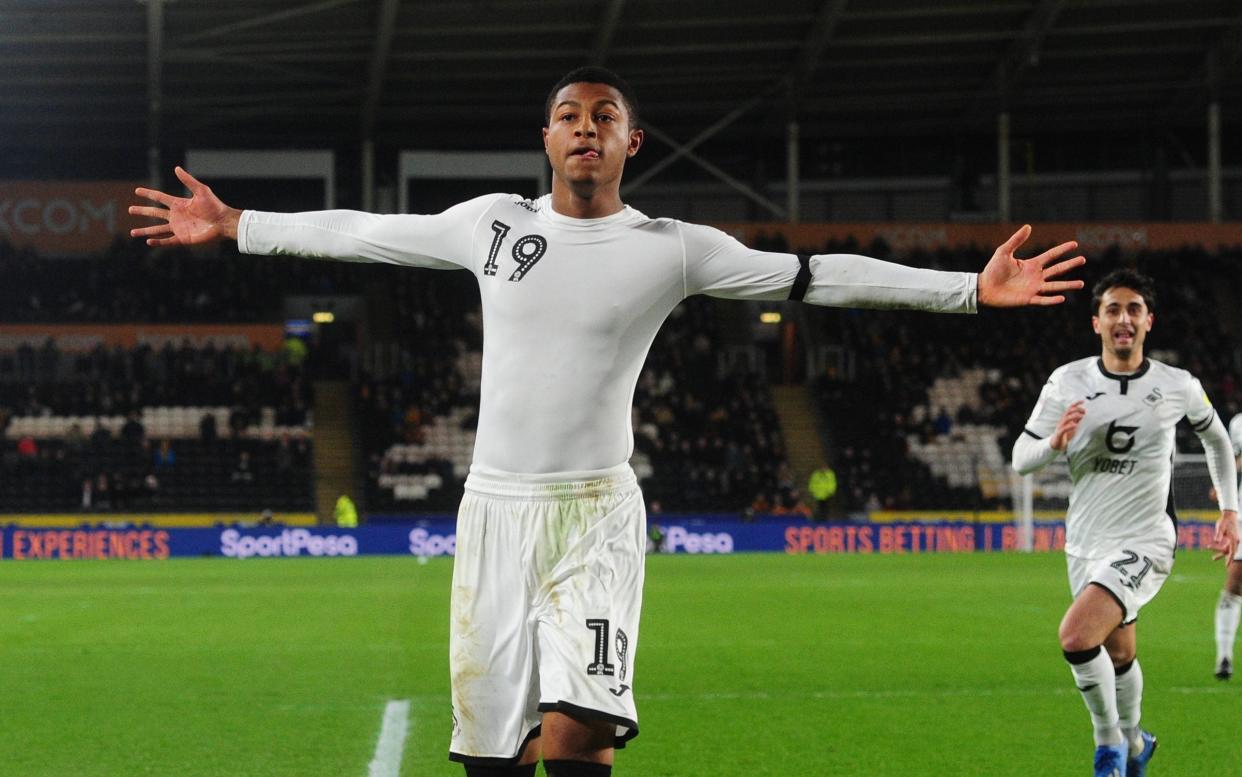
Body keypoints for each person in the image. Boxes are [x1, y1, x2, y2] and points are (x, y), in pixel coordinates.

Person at [131, 66, 1084, 777]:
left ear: (635, 144)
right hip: (495, 513)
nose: (586, 128)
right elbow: (366, 231)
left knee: (580, 734)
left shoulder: (672, 249)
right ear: (544, 141)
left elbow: (817, 274)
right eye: (568, 117)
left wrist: (969, 288)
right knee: (492, 755)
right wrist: (239, 222)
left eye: (606, 117)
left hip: (597, 516)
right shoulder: (491, 225)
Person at [1012, 269, 1239, 777]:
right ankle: (1137, 743)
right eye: (1113, 309)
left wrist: (1229, 510)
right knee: (1118, 654)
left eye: (1134, 309)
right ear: (1096, 322)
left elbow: (1218, 440)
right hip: (1086, 543)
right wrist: (1053, 445)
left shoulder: (1176, 385)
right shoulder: (1067, 381)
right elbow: (1019, 458)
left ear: (1148, 321)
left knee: (1075, 637)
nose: (1123, 319)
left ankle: (1108, 746)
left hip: (1148, 540)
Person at [1218, 413, 1242, 680]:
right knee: (1235, 584)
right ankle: (1224, 656)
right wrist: (1223, 487)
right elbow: (1235, 460)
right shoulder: (1239, 424)